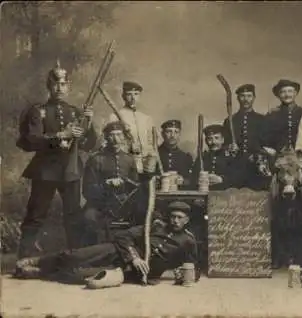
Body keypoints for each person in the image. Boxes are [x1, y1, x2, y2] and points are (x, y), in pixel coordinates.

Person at [17, 61, 98, 258]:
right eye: (56, 83)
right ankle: (24, 259)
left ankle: (75, 258)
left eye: (63, 84)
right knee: (36, 215)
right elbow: (31, 140)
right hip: (45, 170)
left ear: (68, 86)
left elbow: (89, 144)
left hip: (70, 170)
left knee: (73, 216)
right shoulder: (38, 111)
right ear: (49, 86)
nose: (59, 88)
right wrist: (61, 135)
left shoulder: (76, 112)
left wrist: (89, 123)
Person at [14, 201, 200, 287]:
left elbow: (195, 267)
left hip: (129, 272)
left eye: (179, 218)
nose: (175, 220)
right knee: (74, 256)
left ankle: (38, 274)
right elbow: (122, 236)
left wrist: (185, 274)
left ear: (187, 220)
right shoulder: (156, 226)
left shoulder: (188, 241)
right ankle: (36, 262)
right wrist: (134, 257)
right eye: (173, 216)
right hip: (117, 252)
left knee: (79, 275)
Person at [81, 121, 140, 246]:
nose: (116, 139)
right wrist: (106, 184)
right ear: (107, 137)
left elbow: (135, 187)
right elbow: (87, 190)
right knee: (89, 217)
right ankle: (93, 253)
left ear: (124, 137)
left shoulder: (129, 159)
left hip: (124, 205)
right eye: (112, 135)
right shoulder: (96, 159)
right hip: (100, 205)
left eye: (119, 135)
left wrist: (124, 184)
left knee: (141, 217)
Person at [222, 84, 268, 190]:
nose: (246, 99)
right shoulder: (230, 120)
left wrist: (258, 153)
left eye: (249, 96)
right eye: (242, 96)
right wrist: (229, 147)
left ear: (254, 98)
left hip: (256, 169)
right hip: (235, 168)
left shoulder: (262, 120)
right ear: (238, 98)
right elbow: (224, 145)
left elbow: (267, 144)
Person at [107, 81, 157, 177]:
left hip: (146, 167)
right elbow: (112, 143)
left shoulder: (146, 118)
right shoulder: (115, 117)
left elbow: (151, 144)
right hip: (126, 166)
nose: (133, 98)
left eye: (136, 94)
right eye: (129, 94)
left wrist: (151, 161)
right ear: (123, 96)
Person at [262, 79, 302, 155]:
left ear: (295, 93)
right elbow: (264, 138)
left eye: (290, 91)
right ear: (278, 95)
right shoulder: (272, 115)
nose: (287, 95)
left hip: (301, 157)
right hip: (279, 157)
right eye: (283, 92)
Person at [191, 124, 240, 190]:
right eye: (210, 139)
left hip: (224, 196)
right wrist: (200, 179)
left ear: (222, 140)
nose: (213, 142)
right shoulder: (202, 158)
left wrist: (221, 179)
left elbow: (237, 179)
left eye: (216, 138)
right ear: (206, 141)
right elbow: (193, 178)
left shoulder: (230, 157)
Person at [158, 119, 194, 189]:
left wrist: (183, 181)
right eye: (169, 132)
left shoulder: (185, 157)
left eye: (176, 132)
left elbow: (191, 180)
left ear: (180, 134)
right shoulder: (155, 155)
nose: (172, 135)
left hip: (179, 197)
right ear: (162, 134)